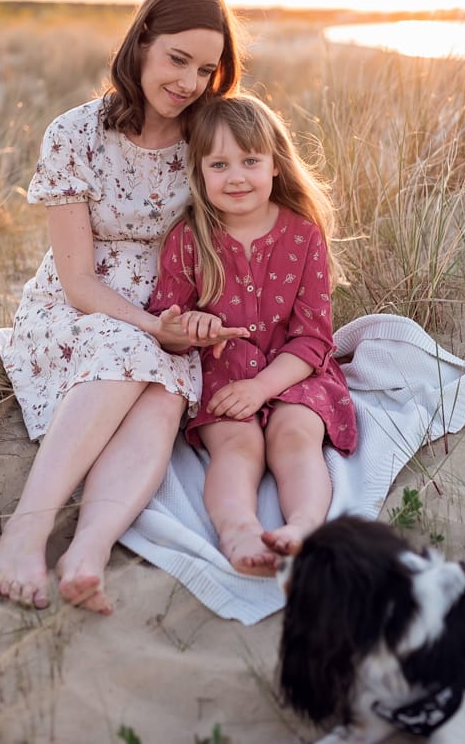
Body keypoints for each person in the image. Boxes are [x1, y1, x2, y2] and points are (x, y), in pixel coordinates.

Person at [0, 0, 250, 614]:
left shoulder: (206, 137)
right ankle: (26, 531)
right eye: (176, 59)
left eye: (206, 69)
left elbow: (261, 198)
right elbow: (78, 282)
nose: (189, 81)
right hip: (80, 306)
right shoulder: (76, 133)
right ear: (141, 47)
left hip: (171, 305)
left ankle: (88, 552)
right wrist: (154, 327)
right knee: (125, 344)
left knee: (163, 398)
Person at [148, 93, 357, 576]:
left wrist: (263, 388)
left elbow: (313, 337)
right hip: (224, 371)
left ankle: (303, 527)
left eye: (250, 160)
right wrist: (189, 330)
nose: (236, 176)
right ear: (198, 173)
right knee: (237, 446)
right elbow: (166, 326)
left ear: (275, 166)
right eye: (218, 164)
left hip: (294, 370)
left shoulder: (303, 235)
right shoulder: (189, 237)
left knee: (295, 436)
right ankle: (239, 531)